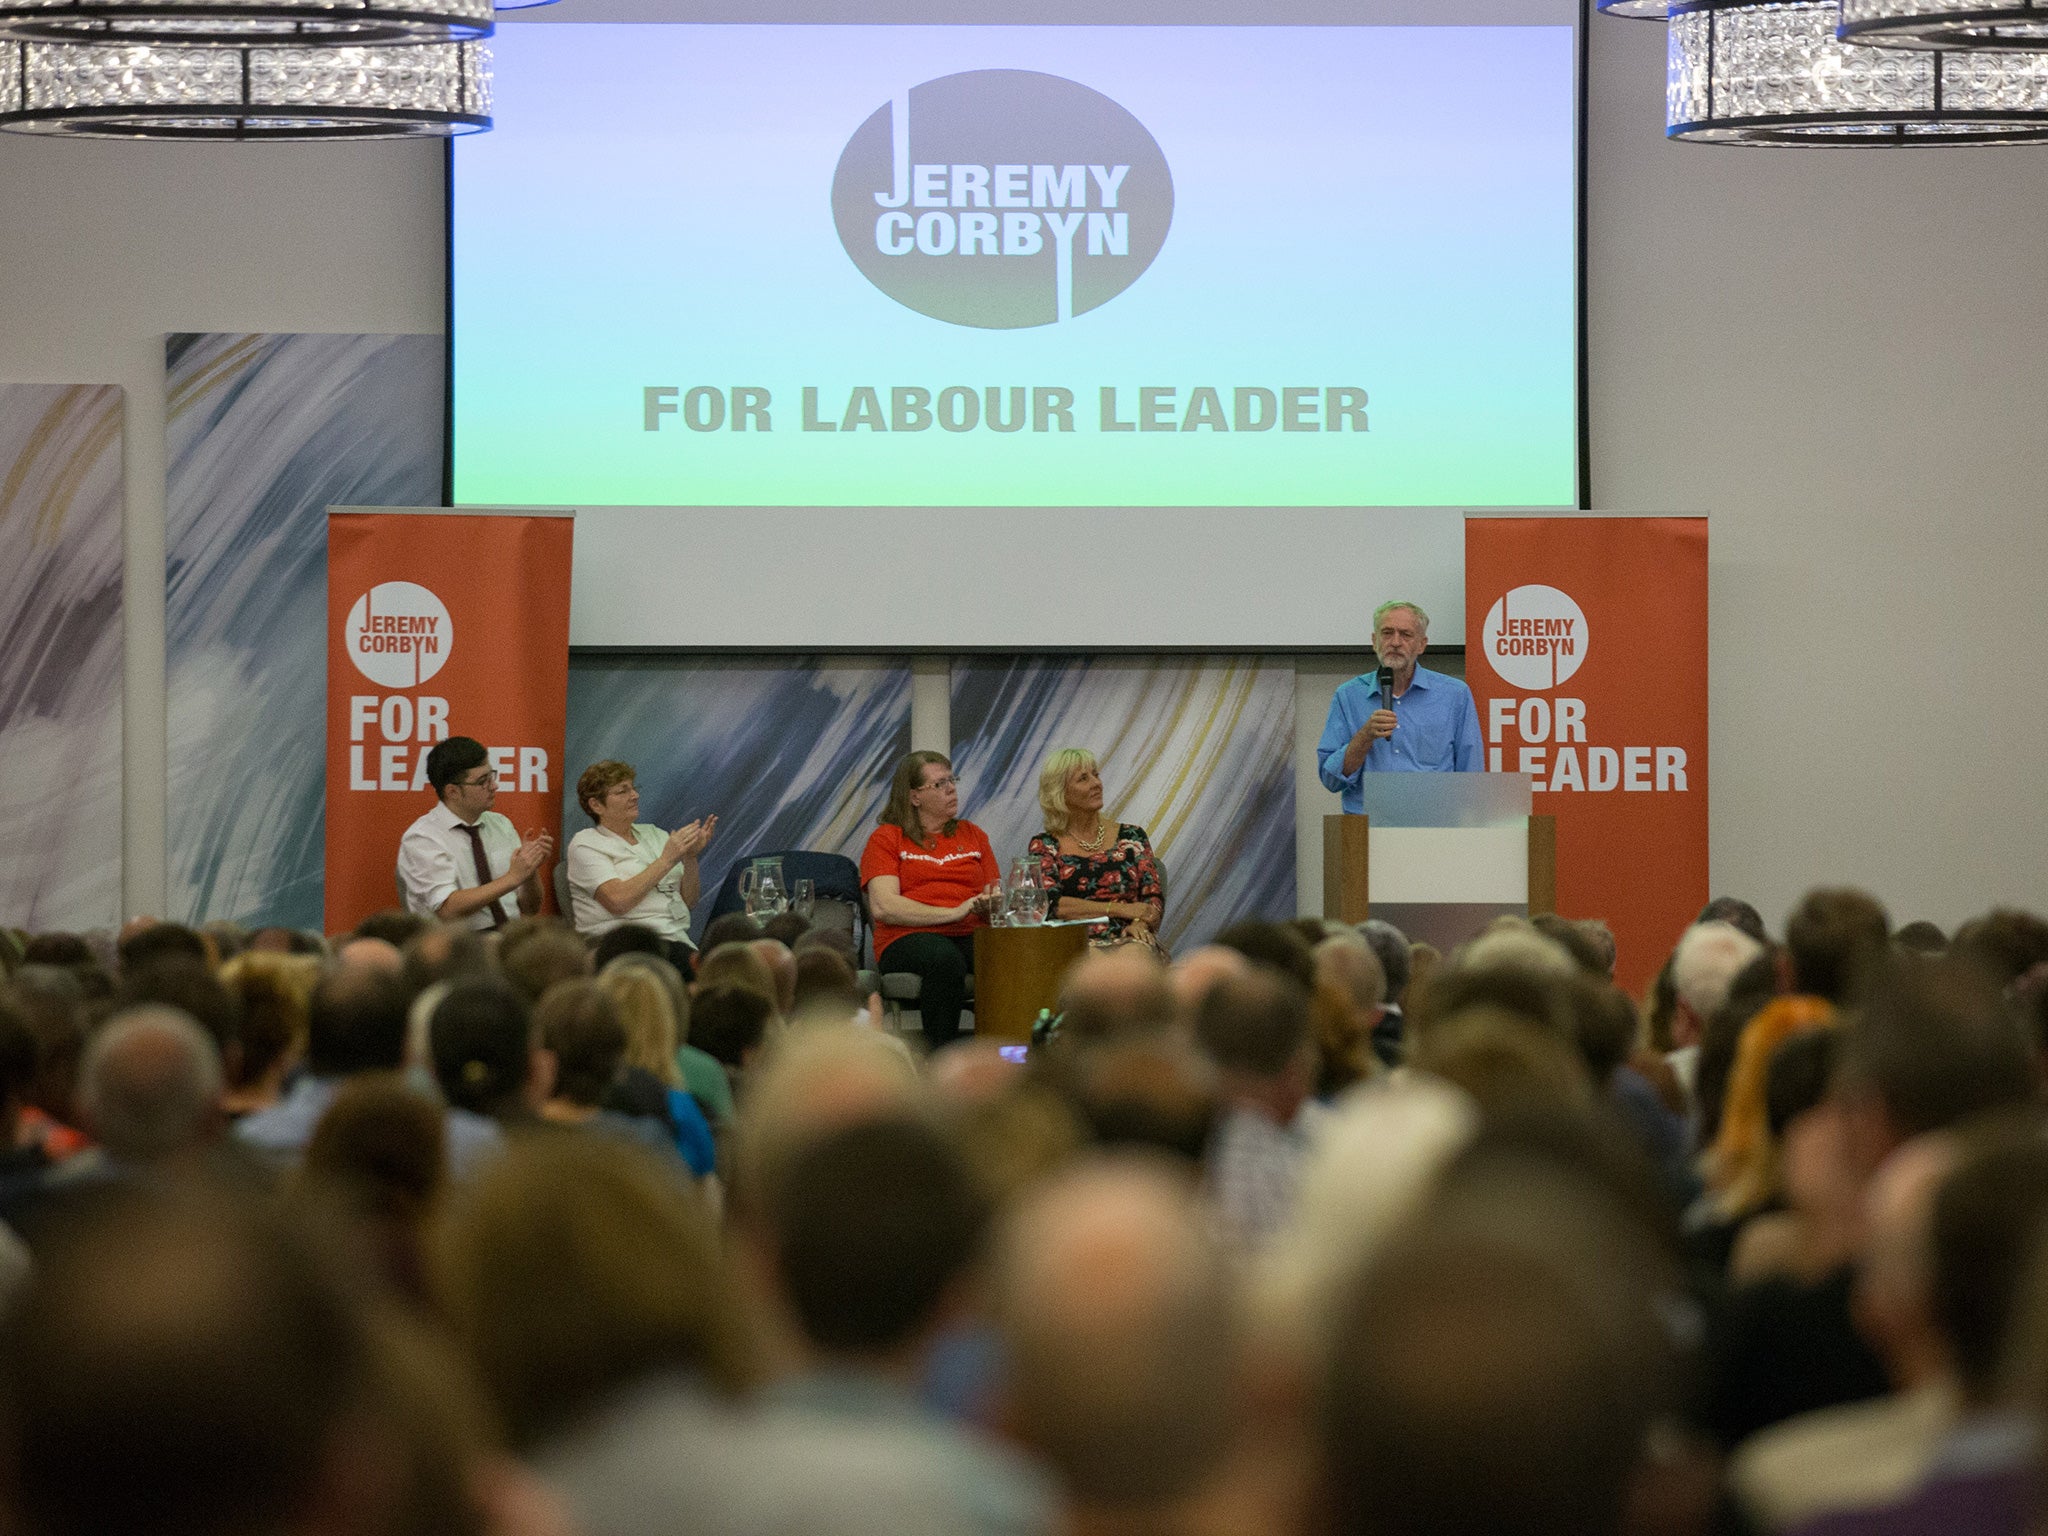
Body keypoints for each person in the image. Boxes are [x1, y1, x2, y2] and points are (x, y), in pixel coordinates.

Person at [859, 751, 999, 1053]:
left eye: (952, 780)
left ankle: (1006, 1056)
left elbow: (993, 892)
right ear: (914, 797)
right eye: (939, 784)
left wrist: (993, 903)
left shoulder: (973, 835)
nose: (951, 788)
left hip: (971, 931)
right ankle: (940, 1060)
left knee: (1009, 954)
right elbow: (885, 906)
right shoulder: (887, 838)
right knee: (945, 959)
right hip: (905, 939)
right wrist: (954, 913)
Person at [1316, 600, 1482, 811]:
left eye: (1406, 634)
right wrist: (1365, 736)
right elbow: (1330, 780)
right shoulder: (1348, 696)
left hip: (1434, 826)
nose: (1395, 642)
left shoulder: (1454, 694)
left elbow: (1472, 775)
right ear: (1374, 641)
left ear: (1422, 644)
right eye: (1387, 633)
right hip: (1366, 827)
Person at [565, 760, 717, 975]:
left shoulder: (654, 834)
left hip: (675, 940)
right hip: (626, 946)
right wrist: (665, 861)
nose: (634, 796)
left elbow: (689, 901)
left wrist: (690, 858)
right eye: (622, 791)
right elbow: (618, 901)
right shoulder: (585, 844)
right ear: (596, 805)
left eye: (633, 788)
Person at [397, 736, 552, 932]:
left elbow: (530, 908)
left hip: (511, 937)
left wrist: (529, 871)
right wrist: (512, 878)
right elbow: (448, 910)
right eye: (482, 781)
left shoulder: (501, 825)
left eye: (491, 776)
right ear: (452, 792)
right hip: (457, 946)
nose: (494, 786)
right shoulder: (422, 838)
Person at [1025, 749, 1166, 955]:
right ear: (1060, 793)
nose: (1096, 784)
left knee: (1134, 958)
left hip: (1130, 937)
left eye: (1096, 775)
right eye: (1083, 779)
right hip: (1074, 941)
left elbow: (1152, 898)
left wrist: (1140, 925)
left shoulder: (1132, 837)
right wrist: (1119, 909)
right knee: (1093, 966)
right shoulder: (1045, 845)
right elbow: (1050, 905)